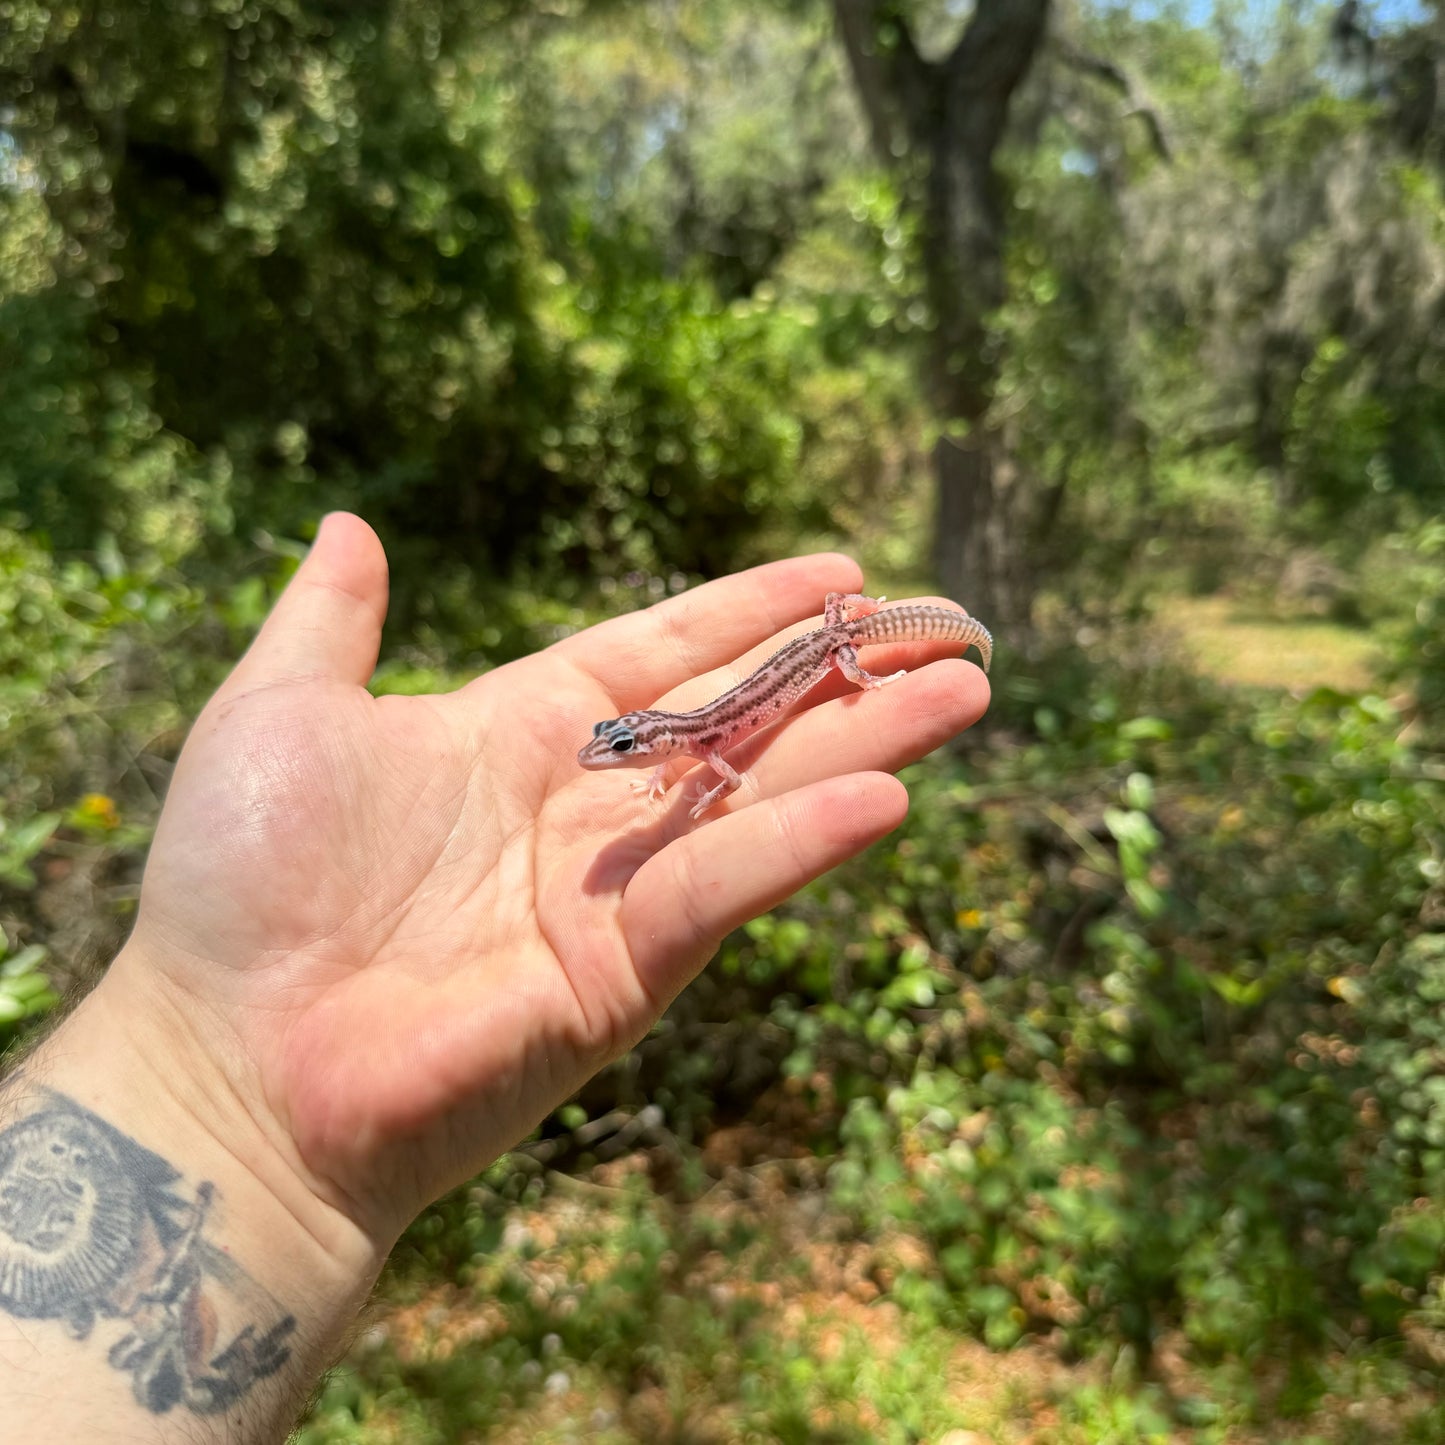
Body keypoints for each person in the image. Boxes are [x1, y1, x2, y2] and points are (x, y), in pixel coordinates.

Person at [0, 513, 990, 1440]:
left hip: (823, 653)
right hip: (796, 665)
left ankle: (933, 634)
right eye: (622, 743)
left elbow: (723, 768)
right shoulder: (681, 740)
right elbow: (693, 762)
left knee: (851, 645)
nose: (615, 752)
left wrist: (845, 660)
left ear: (653, 734)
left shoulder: (700, 741)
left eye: (626, 743)